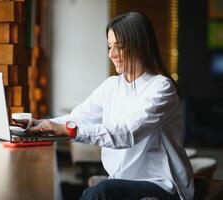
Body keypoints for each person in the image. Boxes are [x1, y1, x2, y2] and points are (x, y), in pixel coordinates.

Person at [25, 11, 194, 200]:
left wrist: (69, 131)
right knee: (86, 192)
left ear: (140, 46)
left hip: (162, 185)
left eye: (119, 47)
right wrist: (39, 125)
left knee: (101, 192)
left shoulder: (162, 88)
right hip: (122, 180)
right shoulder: (112, 86)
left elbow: (127, 133)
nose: (111, 54)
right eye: (109, 46)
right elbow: (78, 117)